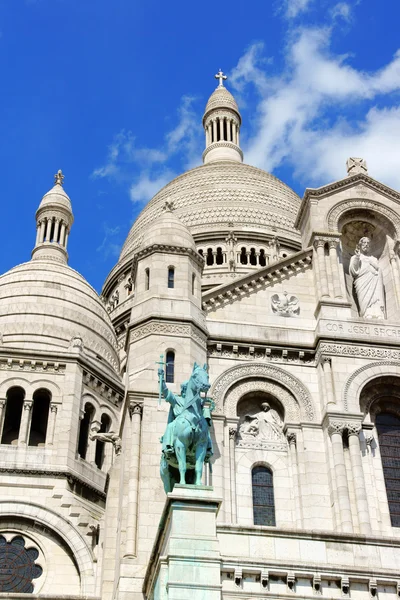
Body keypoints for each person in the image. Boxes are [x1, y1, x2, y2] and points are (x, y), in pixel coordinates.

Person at [349, 237, 385, 320]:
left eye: (368, 243)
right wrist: (357, 257)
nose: (366, 245)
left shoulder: (374, 259)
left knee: (376, 297)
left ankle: (378, 313)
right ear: (360, 245)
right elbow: (353, 271)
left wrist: (373, 264)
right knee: (365, 299)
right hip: (362, 282)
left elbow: (379, 270)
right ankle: (366, 313)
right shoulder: (356, 257)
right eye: (364, 243)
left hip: (374, 281)